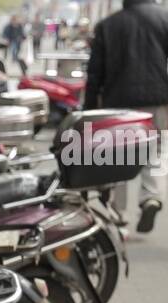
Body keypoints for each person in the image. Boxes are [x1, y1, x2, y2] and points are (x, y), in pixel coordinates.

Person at [85, 0, 168, 232]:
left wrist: (89, 107)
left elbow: (95, 72)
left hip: (118, 102)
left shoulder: (108, 25)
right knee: (156, 149)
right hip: (157, 99)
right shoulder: (164, 19)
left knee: (118, 155)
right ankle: (150, 196)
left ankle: (119, 215)